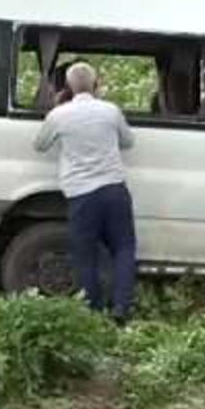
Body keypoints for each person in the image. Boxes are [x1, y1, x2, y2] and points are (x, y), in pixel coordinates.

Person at [33, 62, 138, 323]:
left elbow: (40, 145)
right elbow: (128, 142)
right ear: (96, 84)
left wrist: (57, 108)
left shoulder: (59, 115)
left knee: (85, 253)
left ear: (67, 88)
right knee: (124, 248)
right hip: (114, 189)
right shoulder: (110, 111)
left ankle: (94, 310)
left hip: (81, 194)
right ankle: (121, 307)